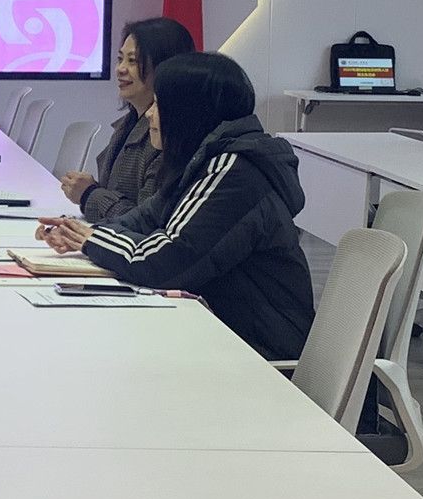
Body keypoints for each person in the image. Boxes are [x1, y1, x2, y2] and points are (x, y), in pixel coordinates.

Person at [37, 51, 316, 360]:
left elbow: (164, 262)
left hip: (257, 354)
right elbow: (143, 219)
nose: (149, 114)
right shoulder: (202, 159)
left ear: (188, 111)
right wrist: (78, 231)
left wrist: (92, 239)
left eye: (158, 104)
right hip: (214, 334)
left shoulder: (235, 171)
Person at [57, 16, 197, 220]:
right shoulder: (128, 123)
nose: (120, 69)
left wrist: (89, 195)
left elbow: (146, 221)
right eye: (120, 59)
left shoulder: (168, 135)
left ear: (165, 67)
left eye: (133, 61)